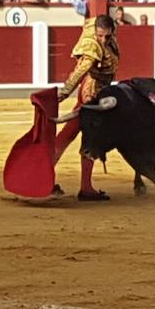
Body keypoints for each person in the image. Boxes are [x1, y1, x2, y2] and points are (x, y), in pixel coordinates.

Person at [53, 14, 119, 201]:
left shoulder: (103, 33)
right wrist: (65, 92)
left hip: (101, 90)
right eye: (100, 35)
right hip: (92, 93)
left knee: (70, 131)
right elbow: (81, 70)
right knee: (89, 136)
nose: (103, 40)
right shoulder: (92, 44)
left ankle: (49, 176)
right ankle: (85, 187)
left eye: (107, 36)